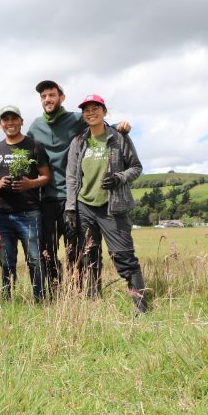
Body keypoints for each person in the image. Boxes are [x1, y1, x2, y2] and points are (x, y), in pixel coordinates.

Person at [27, 80, 131, 295]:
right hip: (47, 197)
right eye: (44, 96)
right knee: (49, 249)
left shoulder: (75, 119)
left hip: (74, 197)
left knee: (78, 250)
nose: (48, 99)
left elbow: (99, 126)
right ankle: (56, 292)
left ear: (61, 97)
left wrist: (120, 128)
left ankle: (81, 292)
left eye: (52, 95)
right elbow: (21, 147)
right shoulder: (35, 126)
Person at [65, 94, 148, 314]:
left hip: (112, 207)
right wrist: (70, 208)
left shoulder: (118, 137)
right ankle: (94, 302)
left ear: (104, 111)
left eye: (95, 108)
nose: (90, 113)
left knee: (123, 256)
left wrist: (119, 177)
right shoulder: (79, 141)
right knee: (89, 255)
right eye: (86, 110)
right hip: (85, 207)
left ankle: (141, 307)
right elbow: (72, 176)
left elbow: (136, 167)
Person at [0, 105, 50, 302]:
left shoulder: (34, 146)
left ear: (22, 121)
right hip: (3, 215)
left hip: (29, 214)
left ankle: (39, 298)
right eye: (6, 119)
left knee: (35, 259)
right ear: (0, 124)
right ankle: (7, 299)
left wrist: (30, 183)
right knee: (6, 260)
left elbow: (46, 176)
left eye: (14, 118)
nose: (10, 123)